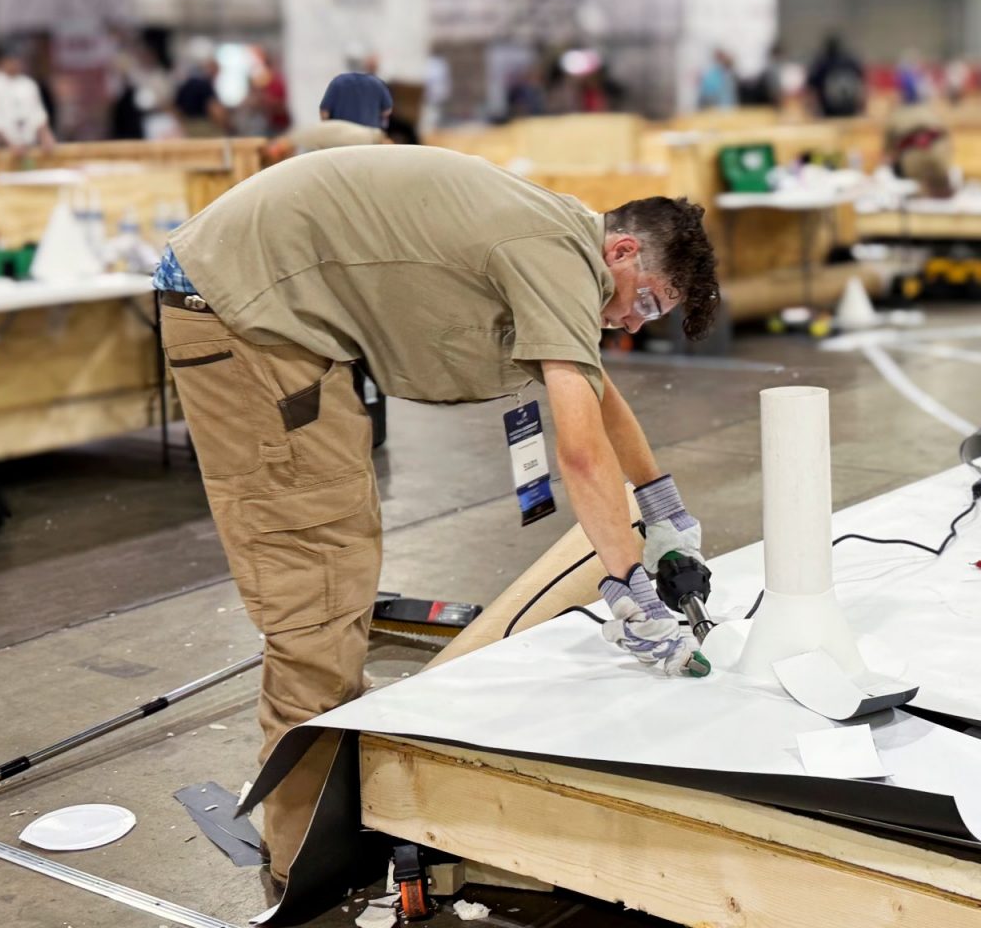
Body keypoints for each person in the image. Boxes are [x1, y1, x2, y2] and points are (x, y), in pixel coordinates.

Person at [151, 145, 720, 884]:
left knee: (342, 554)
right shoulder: (554, 256)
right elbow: (579, 456)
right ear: (620, 250)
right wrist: (631, 594)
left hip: (266, 309)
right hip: (243, 313)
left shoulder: (566, 239)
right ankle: (307, 868)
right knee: (317, 585)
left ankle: (328, 817)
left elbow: (598, 393)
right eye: (643, 301)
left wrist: (664, 511)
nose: (634, 323)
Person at [265, 72, 392, 162]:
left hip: (365, 140)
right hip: (366, 137)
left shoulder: (339, 81)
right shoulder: (376, 83)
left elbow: (324, 112)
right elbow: (387, 111)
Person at [0, 44, 55, 152]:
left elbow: (38, 117)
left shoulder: (28, 84)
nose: (16, 63)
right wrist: (9, 144)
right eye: (11, 59)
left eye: (18, 59)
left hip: (28, 147)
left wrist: (45, 136)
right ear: (1, 61)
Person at [807, 35, 865, 118]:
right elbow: (862, 86)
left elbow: (811, 90)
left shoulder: (821, 64)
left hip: (829, 113)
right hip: (851, 111)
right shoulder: (851, 62)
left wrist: (813, 110)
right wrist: (862, 106)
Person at [175, 58, 229, 138]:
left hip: (187, 126)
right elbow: (214, 110)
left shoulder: (186, 83)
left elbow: (175, 108)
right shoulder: (205, 85)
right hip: (204, 127)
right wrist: (227, 126)